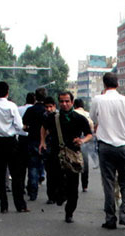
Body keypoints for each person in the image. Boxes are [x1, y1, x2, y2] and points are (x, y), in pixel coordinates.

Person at [91, 72, 125, 229]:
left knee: (109, 183)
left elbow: (93, 118)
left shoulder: (98, 100)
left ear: (104, 84)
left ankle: (110, 218)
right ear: (118, 84)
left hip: (105, 146)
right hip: (124, 146)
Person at [40, 91, 93, 223]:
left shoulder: (79, 118)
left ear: (72, 102)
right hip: (56, 154)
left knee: (73, 186)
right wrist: (42, 142)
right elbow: (43, 127)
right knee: (55, 181)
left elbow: (89, 134)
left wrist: (82, 141)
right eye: (62, 101)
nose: (64, 104)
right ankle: (59, 196)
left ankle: (69, 212)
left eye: (67, 101)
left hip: (73, 156)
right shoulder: (53, 117)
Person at [0, 81, 28, 213]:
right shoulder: (11, 106)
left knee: (0, 176)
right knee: (16, 175)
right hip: (10, 142)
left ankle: (3, 205)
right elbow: (19, 126)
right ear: (7, 92)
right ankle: (20, 205)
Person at [22, 87, 49, 202]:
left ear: (35, 97)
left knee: (32, 166)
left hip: (32, 140)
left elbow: (24, 125)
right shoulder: (47, 111)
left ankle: (33, 192)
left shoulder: (30, 110)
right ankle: (51, 195)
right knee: (50, 166)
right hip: (47, 141)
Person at [72, 98, 93, 192]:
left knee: (71, 162)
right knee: (85, 163)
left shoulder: (71, 113)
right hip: (84, 140)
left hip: (73, 140)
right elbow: (91, 129)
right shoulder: (88, 114)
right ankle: (85, 185)